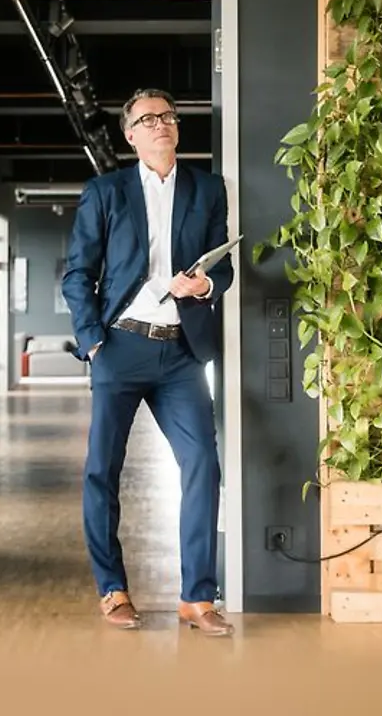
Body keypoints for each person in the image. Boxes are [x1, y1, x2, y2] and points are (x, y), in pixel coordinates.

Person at [61, 88, 236, 637]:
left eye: (168, 117)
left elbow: (223, 269)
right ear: (130, 134)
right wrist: (93, 343)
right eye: (147, 119)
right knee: (102, 472)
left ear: (177, 129)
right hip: (119, 346)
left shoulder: (208, 190)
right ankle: (113, 590)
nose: (160, 124)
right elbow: (76, 275)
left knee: (203, 466)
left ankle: (197, 599)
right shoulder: (105, 192)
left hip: (182, 352)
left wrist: (205, 282)